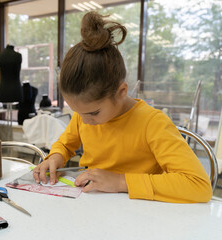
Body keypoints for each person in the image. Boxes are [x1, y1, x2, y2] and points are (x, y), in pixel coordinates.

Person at [32, 11, 212, 203]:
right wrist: (56, 157)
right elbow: (66, 144)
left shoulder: (152, 122)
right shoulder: (84, 115)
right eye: (77, 112)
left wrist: (120, 182)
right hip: (92, 206)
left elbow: (198, 185)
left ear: (122, 91)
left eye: (93, 113)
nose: (85, 121)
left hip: (141, 216)